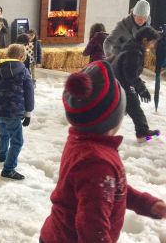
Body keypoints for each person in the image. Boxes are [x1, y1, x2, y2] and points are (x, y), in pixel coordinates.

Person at [40, 60, 166, 243]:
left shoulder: (82, 142)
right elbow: (92, 229)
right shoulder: (96, 162)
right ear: (113, 119)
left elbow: (109, 188)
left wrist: (146, 204)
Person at [0, 44, 34, 180]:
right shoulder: (24, 71)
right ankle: (8, 169)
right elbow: (29, 92)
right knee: (17, 141)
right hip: (14, 110)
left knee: (3, 133)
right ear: (21, 56)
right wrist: (28, 112)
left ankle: (2, 156)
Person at [112, 26, 160, 142]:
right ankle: (142, 134)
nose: (152, 46)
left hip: (120, 82)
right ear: (144, 40)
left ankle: (142, 131)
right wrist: (142, 89)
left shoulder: (134, 47)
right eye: (152, 42)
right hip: (121, 84)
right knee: (134, 106)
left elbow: (130, 72)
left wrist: (138, 86)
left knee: (132, 105)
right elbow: (130, 75)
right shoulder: (134, 52)